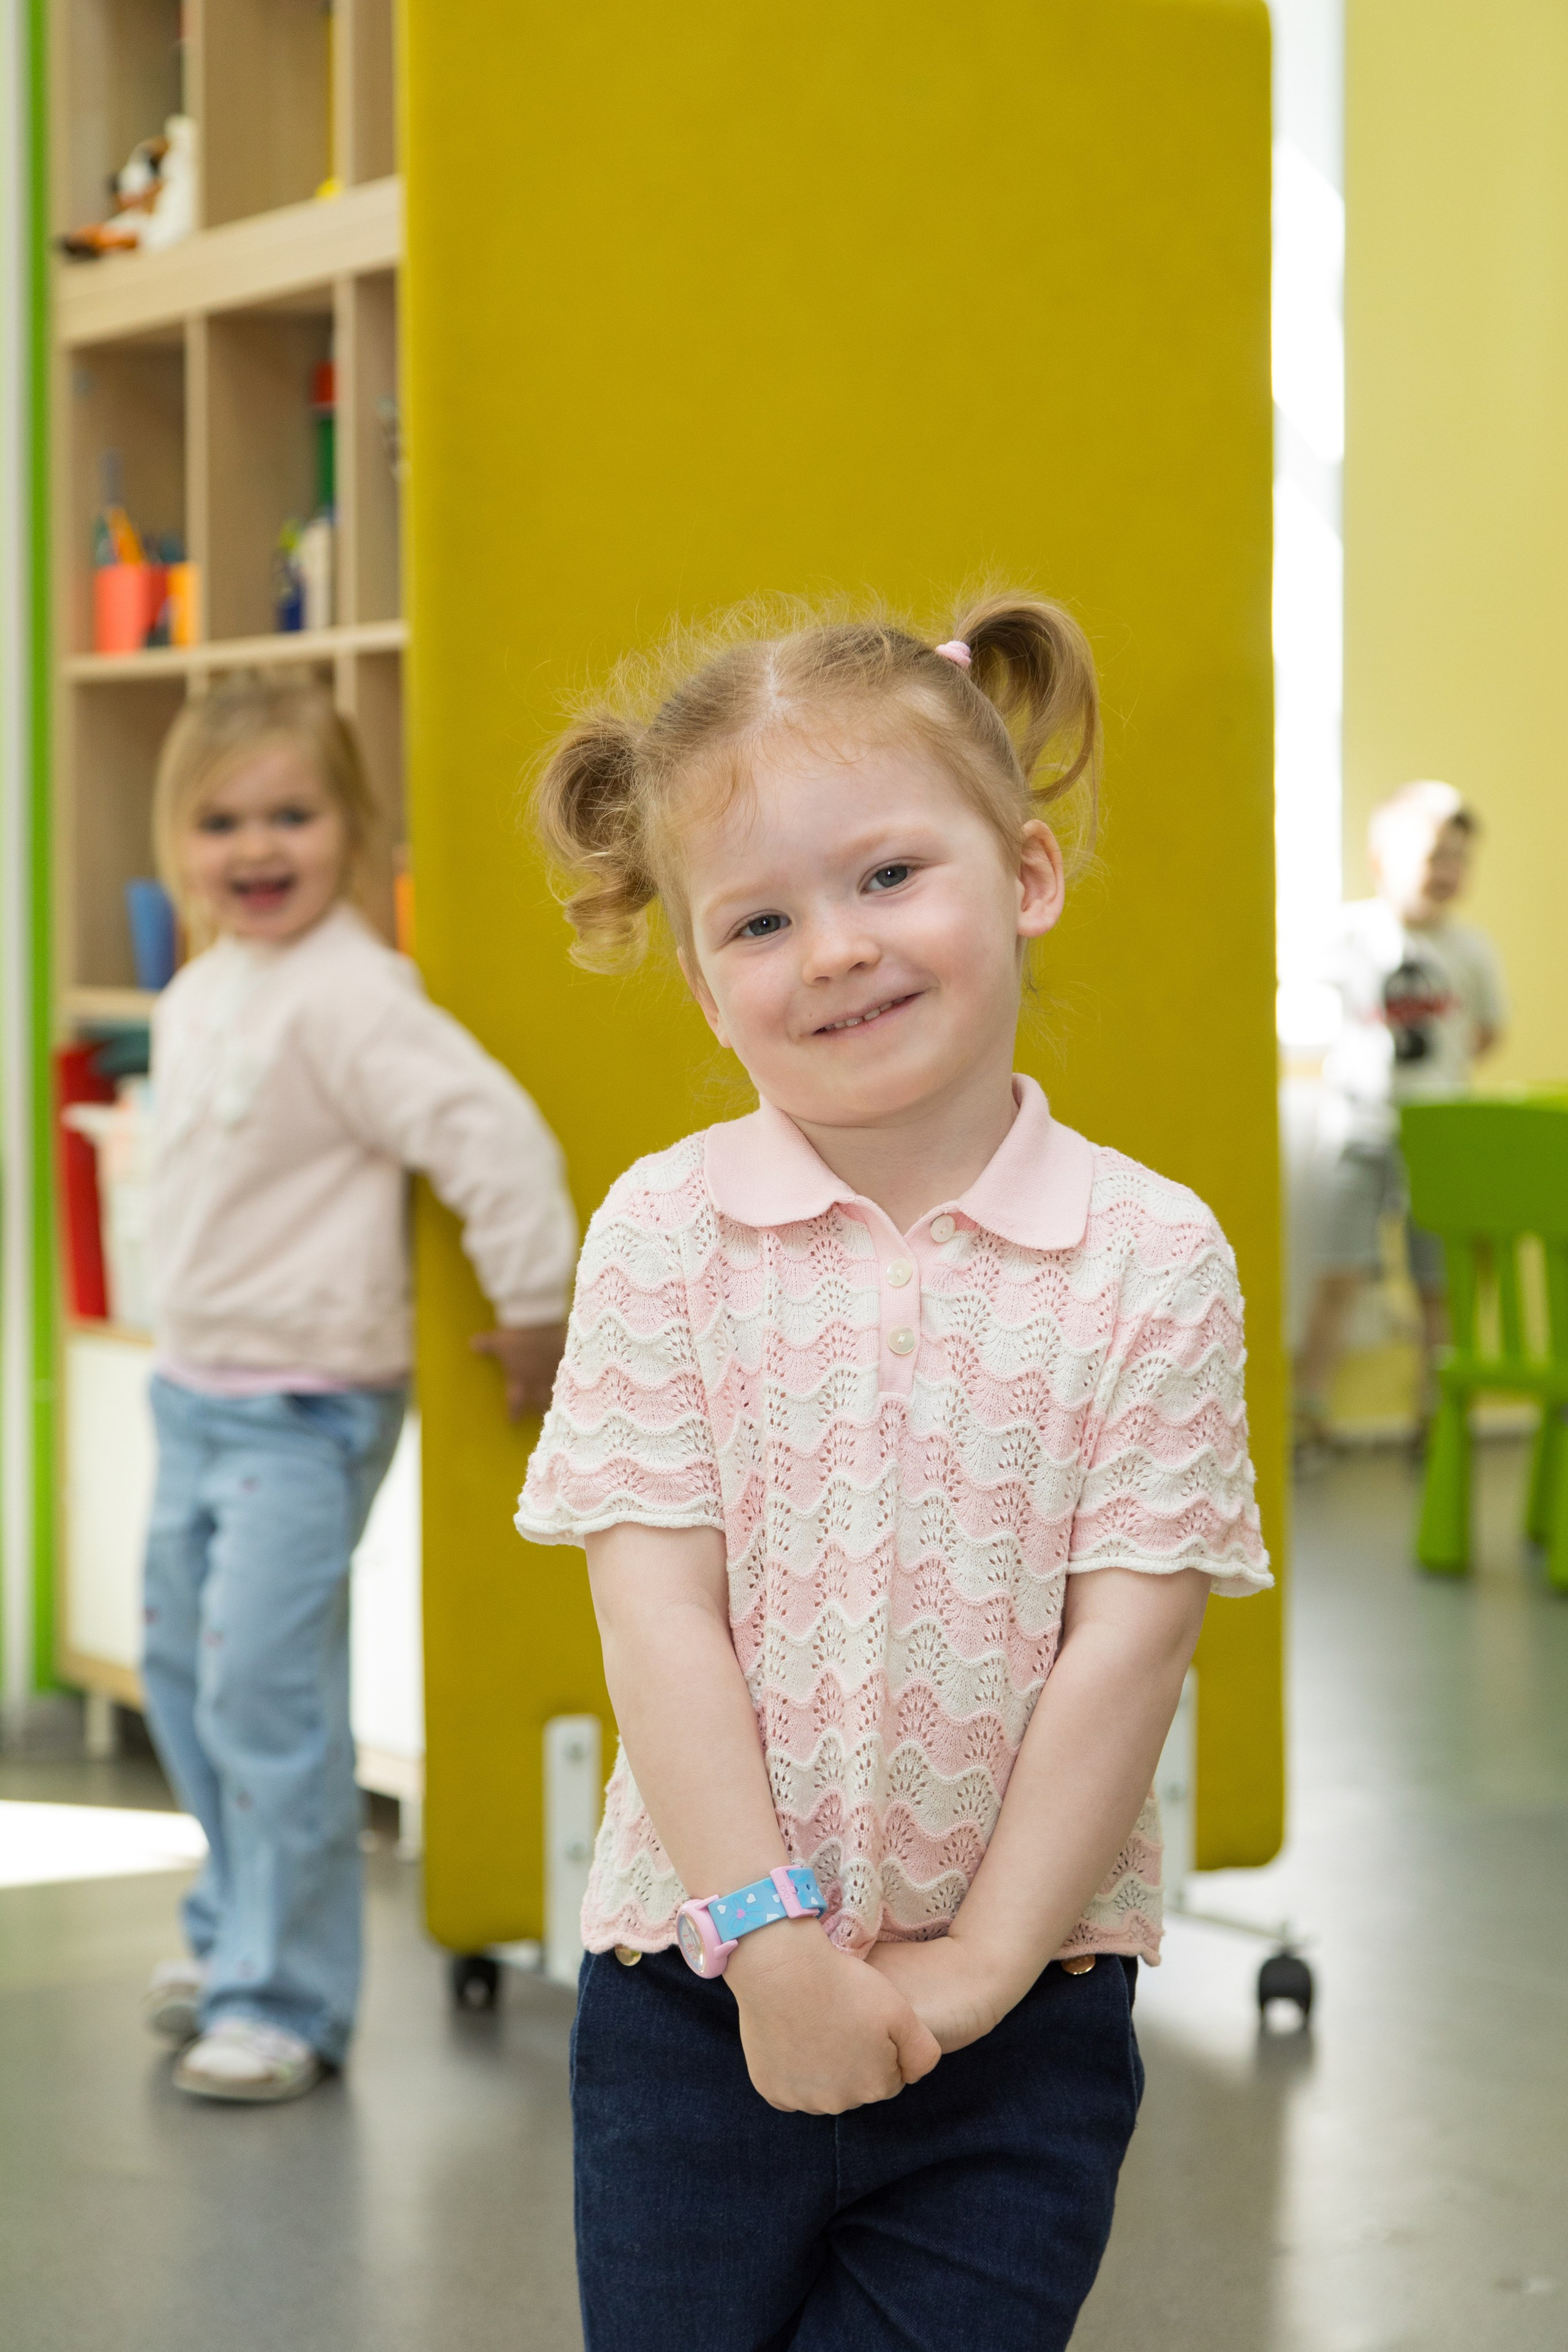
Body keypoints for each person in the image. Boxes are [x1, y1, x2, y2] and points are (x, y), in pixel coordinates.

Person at [514, 597, 1272, 2351]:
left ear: (1024, 874)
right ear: (703, 984)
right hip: (692, 2002)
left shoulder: (1155, 1256)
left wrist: (985, 1964)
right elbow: (657, 1619)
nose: (834, 949)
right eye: (762, 919)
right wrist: (774, 1950)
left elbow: (1133, 1647)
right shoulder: (666, 1234)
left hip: (1021, 2027)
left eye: (886, 878)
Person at [138, 674, 576, 2103]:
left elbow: (489, 1132)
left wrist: (535, 1303)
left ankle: (289, 1995)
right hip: (193, 1389)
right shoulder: (204, 984)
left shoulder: (348, 994)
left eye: (292, 813)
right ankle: (231, 1931)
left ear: (352, 826)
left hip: (306, 1402)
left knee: (270, 1693)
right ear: (176, 845)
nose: (255, 846)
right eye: (221, 821)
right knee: (188, 1682)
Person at [1295, 780, 1506, 1447]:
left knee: (1437, 1286)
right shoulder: (1350, 932)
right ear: (1382, 859)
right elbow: (1299, 989)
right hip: (1360, 1130)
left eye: (1458, 859)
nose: (1447, 871)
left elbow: (1486, 1032)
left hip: (1440, 1137)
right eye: (1433, 854)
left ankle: (1434, 1416)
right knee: (1340, 1272)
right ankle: (1308, 1416)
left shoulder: (1472, 950)